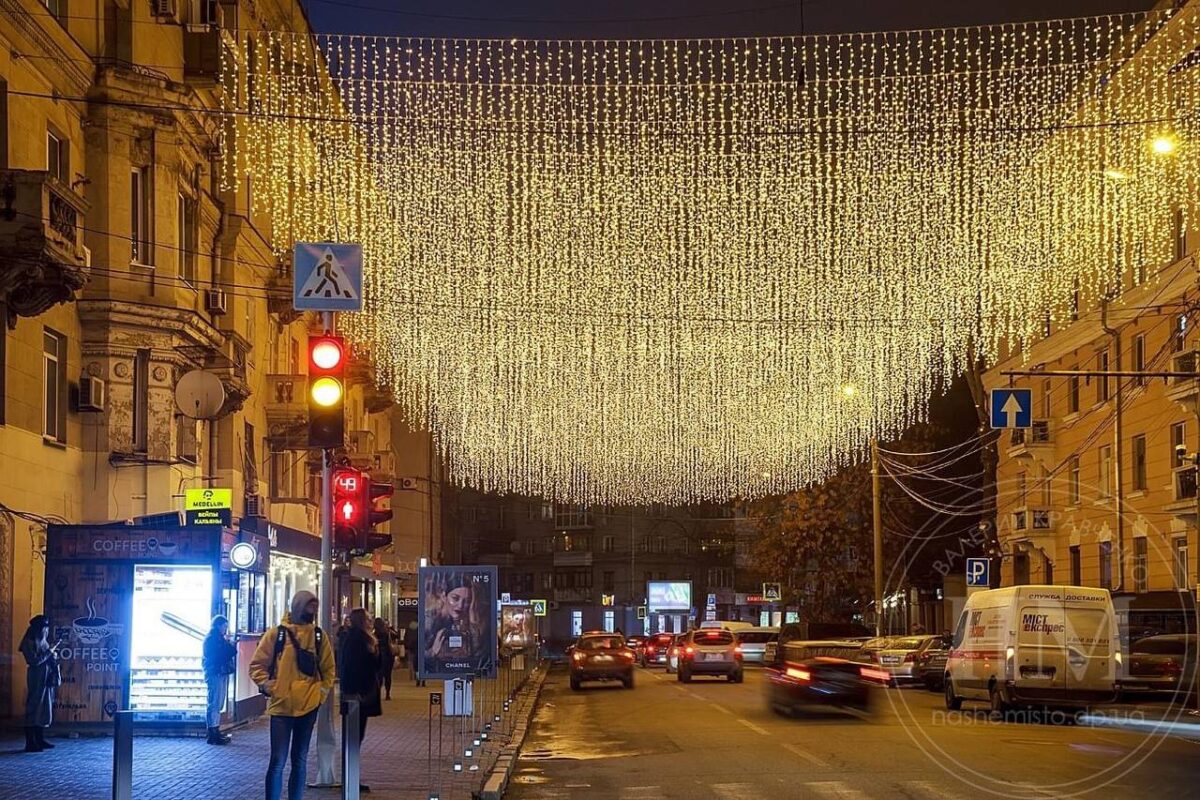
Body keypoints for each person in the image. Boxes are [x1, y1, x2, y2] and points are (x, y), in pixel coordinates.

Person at [249, 591, 335, 800]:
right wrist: (269, 686)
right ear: (298, 607)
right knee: (278, 760)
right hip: (282, 706)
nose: (313, 612)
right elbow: (257, 665)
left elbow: (329, 670)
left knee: (299, 760)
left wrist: (319, 695)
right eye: (309, 607)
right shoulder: (276, 634)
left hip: (308, 706)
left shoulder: (318, 635)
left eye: (315, 607)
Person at [339, 608, 382, 793]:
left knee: (355, 737)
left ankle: (352, 777)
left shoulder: (359, 638)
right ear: (361, 621)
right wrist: (352, 692)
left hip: (359, 694)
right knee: (354, 738)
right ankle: (350, 779)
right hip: (357, 696)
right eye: (368, 618)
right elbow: (353, 667)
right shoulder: (357, 640)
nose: (371, 620)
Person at [424, 575, 491, 675]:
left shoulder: (467, 621)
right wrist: (433, 652)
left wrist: (472, 620)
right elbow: (419, 656)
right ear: (443, 596)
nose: (460, 606)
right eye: (455, 598)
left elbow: (477, 653)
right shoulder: (429, 622)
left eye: (467, 601)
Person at [19, 615, 58, 753]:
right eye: (44, 628)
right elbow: (34, 661)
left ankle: (39, 739)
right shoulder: (28, 643)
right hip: (36, 678)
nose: (46, 631)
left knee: (44, 708)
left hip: (45, 677)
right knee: (34, 707)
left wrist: (52, 657)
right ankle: (30, 742)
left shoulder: (43, 641)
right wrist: (49, 653)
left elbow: (46, 655)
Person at [202, 615, 237, 745]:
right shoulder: (213, 639)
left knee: (217, 702)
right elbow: (227, 652)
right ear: (218, 625)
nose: (225, 629)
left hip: (218, 672)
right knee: (215, 702)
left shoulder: (216, 638)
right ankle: (213, 733)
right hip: (215, 673)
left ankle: (215, 730)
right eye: (224, 626)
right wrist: (231, 645)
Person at [373, 617, 396, 701]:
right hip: (387, 656)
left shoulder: (374, 634)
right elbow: (391, 642)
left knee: (379, 676)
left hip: (378, 656)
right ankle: (387, 694)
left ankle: (377, 693)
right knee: (388, 676)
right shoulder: (387, 633)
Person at [404, 621, 423, 686]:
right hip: (421, 649)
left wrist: (406, 647)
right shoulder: (421, 630)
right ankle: (423, 680)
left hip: (412, 649)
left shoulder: (409, 630)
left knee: (415, 665)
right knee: (422, 665)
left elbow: (405, 639)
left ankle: (416, 678)